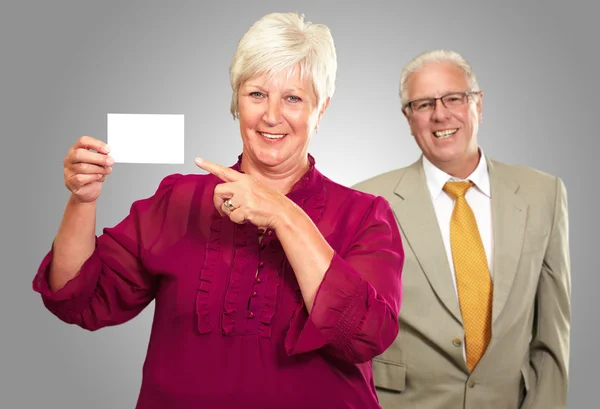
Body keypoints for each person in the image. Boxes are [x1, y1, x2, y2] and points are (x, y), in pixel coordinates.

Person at [32, 12, 404, 409]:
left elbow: (367, 334)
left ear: (321, 108)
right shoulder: (177, 200)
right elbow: (79, 299)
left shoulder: (365, 215)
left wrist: (284, 215)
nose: (272, 116)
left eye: (293, 98)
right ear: (236, 100)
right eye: (256, 94)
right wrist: (83, 201)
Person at [353, 49, 571, 409]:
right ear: (408, 119)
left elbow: (553, 335)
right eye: (423, 104)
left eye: (454, 98)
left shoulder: (543, 195)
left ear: (478, 105)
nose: (440, 114)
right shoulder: (368, 201)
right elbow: (353, 332)